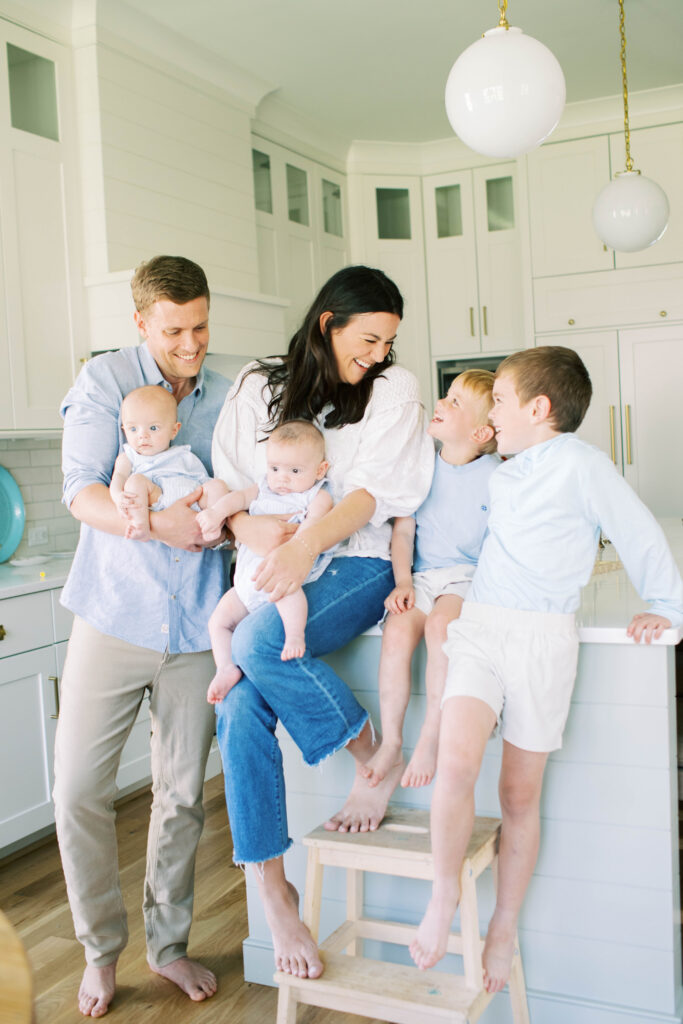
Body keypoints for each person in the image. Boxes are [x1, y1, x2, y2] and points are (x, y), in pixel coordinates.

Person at [409, 346, 683, 994]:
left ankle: (501, 926)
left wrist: (665, 605)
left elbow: (636, 531)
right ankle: (442, 893)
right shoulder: (501, 472)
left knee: (516, 797)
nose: (491, 415)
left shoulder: (582, 466)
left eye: (499, 401)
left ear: (538, 408)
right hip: (480, 628)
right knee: (454, 763)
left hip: (541, 643)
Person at [210, 264, 434, 981]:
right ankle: (272, 888)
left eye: (387, 343)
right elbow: (224, 486)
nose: (376, 355)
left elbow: (374, 494)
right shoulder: (255, 387)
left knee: (253, 643)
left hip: (357, 560)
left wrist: (304, 542)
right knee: (240, 699)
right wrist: (255, 533)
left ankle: (371, 753)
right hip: (269, 564)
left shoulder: (392, 390)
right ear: (326, 324)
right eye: (365, 339)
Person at [53, 255, 233, 1018]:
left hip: (198, 626)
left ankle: (168, 945)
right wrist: (163, 523)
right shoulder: (103, 383)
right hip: (112, 613)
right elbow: (81, 492)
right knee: (78, 792)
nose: (190, 343)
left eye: (199, 325)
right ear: (140, 323)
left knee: (183, 795)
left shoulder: (229, 393)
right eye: (173, 330)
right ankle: (100, 951)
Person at [361, 370, 499, 791]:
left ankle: (431, 736)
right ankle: (393, 740)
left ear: (481, 432)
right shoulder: (420, 465)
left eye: (455, 402)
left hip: (466, 578)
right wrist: (402, 582)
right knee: (398, 632)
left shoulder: (498, 477)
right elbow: (403, 532)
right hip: (422, 576)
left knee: (442, 628)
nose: (441, 402)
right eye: (447, 395)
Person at [203, 419, 333, 700]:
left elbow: (313, 529)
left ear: (320, 469)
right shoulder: (262, 487)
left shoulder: (317, 496)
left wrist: (298, 545)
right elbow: (236, 499)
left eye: (295, 471)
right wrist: (215, 514)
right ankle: (225, 667)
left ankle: (294, 635)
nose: (282, 478)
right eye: (275, 468)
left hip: (282, 575)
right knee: (218, 621)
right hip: (247, 582)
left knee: (289, 594)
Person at [110, 384, 230, 541]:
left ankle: (214, 526)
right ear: (124, 429)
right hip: (156, 497)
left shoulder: (183, 454)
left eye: (153, 428)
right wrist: (118, 496)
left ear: (174, 430)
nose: (142, 436)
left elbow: (201, 479)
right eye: (133, 429)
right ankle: (141, 525)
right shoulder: (129, 457)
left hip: (192, 499)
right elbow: (118, 478)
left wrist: (208, 496)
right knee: (134, 482)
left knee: (218, 486)